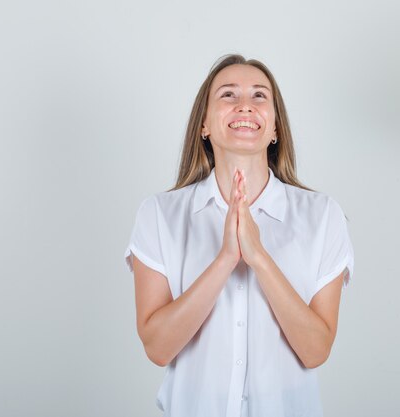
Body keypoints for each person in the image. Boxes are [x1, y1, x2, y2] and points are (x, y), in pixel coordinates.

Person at [123, 54, 355, 417]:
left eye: (260, 96)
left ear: (275, 128)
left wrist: (259, 258)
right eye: (228, 95)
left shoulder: (322, 216)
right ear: (204, 124)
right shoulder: (159, 215)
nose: (245, 105)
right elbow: (158, 347)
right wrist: (226, 259)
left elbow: (316, 350)